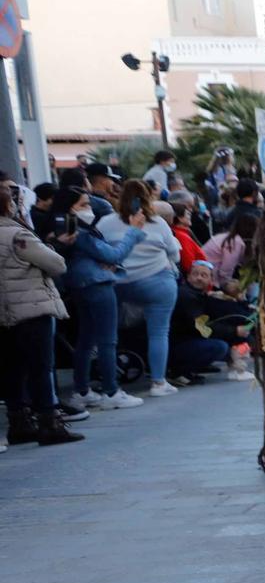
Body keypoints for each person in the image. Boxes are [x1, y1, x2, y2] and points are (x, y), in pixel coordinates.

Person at [1, 179, 83, 447]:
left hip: (5, 312)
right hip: (31, 308)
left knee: (12, 368)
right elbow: (56, 264)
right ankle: (49, 422)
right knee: (40, 367)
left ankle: (19, 422)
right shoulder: (17, 234)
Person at [50, 187, 144, 409]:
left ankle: (82, 389)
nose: (89, 209)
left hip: (80, 284)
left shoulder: (65, 229)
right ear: (70, 207)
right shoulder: (80, 233)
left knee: (86, 339)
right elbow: (114, 254)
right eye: (84, 204)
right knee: (106, 340)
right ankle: (111, 391)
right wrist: (132, 231)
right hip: (97, 284)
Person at [99, 182, 183, 398]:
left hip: (118, 283)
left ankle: (108, 381)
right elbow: (175, 254)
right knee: (159, 332)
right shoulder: (158, 223)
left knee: (107, 333)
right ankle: (158, 382)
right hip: (156, 281)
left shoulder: (106, 223)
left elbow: (99, 250)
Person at [169, 259, 253, 381]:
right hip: (179, 344)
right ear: (188, 277)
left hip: (189, 338)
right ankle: (179, 371)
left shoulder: (200, 294)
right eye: (195, 274)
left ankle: (237, 368)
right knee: (220, 346)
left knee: (235, 334)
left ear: (210, 280)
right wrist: (234, 330)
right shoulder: (186, 296)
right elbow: (201, 327)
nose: (199, 278)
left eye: (204, 275)